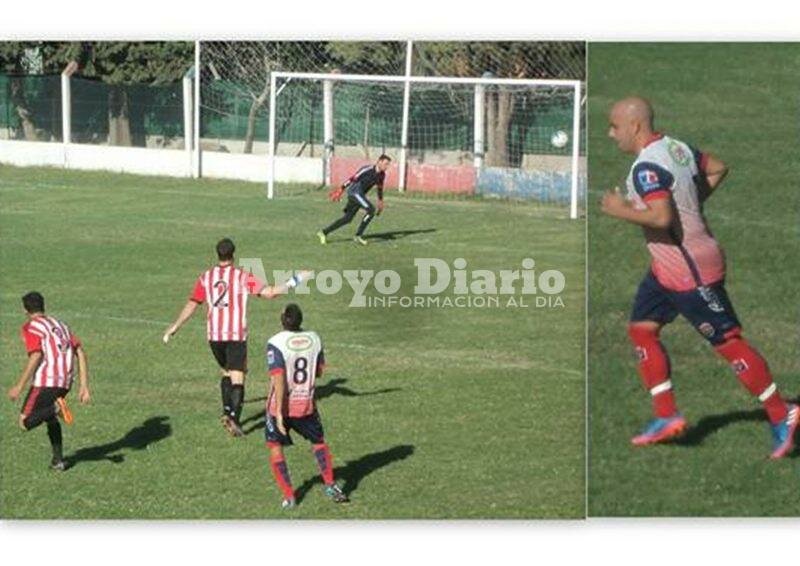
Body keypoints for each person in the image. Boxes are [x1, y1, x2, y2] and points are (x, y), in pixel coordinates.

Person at [600, 96, 798, 459]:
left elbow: (660, 219)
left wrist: (620, 210)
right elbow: (718, 168)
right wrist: (689, 202)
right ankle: (665, 416)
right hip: (665, 269)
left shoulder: (646, 168)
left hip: (690, 272)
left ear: (635, 126)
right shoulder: (675, 148)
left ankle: (781, 412)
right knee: (641, 329)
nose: (611, 134)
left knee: (728, 343)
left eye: (614, 126)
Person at [163, 238, 307, 437]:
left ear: (218, 254)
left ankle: (226, 411)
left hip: (214, 335)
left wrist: (175, 326)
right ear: (233, 254)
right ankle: (234, 418)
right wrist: (296, 279)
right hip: (235, 334)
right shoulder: (242, 276)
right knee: (238, 377)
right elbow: (270, 293)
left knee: (226, 372)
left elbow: (193, 303)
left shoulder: (206, 277)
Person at [264, 303, 348, 509]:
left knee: (275, 447)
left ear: (283, 319)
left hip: (280, 408)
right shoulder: (315, 338)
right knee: (318, 441)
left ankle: (289, 497)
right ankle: (330, 484)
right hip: (306, 405)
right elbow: (319, 371)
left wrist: (281, 414)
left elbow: (279, 378)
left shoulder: (275, 342)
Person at [7, 292, 91, 471]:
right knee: (51, 420)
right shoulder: (61, 325)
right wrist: (84, 386)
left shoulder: (31, 326)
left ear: (25, 310)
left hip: (46, 381)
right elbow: (81, 352)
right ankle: (58, 461)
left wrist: (19, 386)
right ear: (43, 306)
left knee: (25, 422)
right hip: (65, 381)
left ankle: (55, 407)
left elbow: (36, 355)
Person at [317, 154, 391, 246]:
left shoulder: (382, 175)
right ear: (379, 161)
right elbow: (353, 178)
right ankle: (358, 236)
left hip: (359, 195)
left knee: (347, 219)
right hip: (354, 192)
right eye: (385, 164)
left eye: (388, 165)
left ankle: (323, 232)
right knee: (371, 210)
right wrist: (341, 189)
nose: (387, 166)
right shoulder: (367, 169)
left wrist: (380, 201)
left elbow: (379, 188)